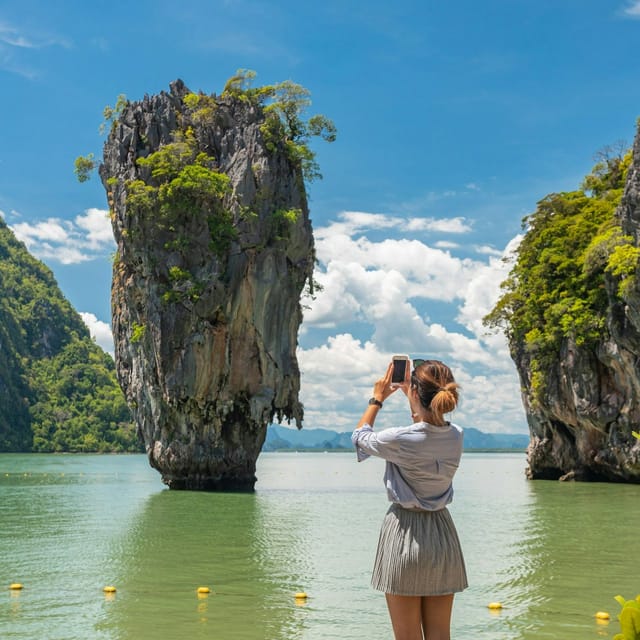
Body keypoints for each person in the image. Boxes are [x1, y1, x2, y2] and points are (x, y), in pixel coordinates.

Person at [351, 358, 468, 640]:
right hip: (442, 536)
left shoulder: (399, 439)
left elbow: (359, 437)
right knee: (440, 635)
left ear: (416, 393)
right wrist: (413, 396)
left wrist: (376, 399)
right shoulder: (456, 436)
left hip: (404, 533)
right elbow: (427, 429)